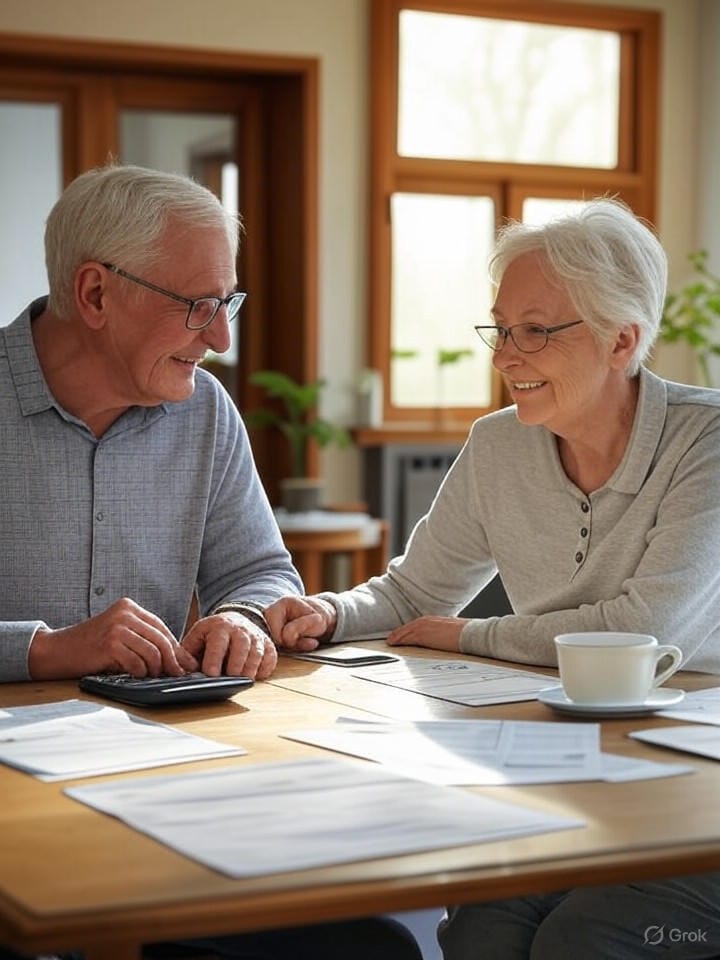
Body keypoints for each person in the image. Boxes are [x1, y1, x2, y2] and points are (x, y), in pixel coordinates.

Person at [266, 197, 720, 958]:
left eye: (536, 331)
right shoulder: (498, 446)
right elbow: (414, 594)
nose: (506, 356)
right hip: (573, 765)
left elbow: (644, 634)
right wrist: (329, 614)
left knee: (581, 943)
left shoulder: (705, 442)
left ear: (622, 340)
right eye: (502, 329)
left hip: (695, 789)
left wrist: (476, 635)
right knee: (482, 931)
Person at [0, 163, 422, 960]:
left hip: (169, 784)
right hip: (17, 808)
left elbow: (262, 569)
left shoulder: (205, 412)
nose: (222, 338)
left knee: (377, 950)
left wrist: (239, 614)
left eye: (225, 303)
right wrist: (46, 648)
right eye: (197, 306)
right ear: (94, 295)